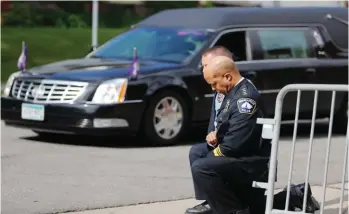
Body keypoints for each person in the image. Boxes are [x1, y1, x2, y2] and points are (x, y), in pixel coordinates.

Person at [186, 55, 269, 214]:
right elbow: (228, 126)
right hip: (240, 152)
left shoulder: (245, 99)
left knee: (202, 167)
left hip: (251, 160)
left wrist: (213, 153)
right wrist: (215, 138)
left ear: (228, 76)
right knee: (197, 152)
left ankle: (233, 211)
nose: (213, 88)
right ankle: (212, 202)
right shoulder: (232, 92)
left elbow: (234, 144)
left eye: (214, 83)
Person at [187, 46, 234, 214]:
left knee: (203, 162)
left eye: (206, 65)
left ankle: (217, 203)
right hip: (223, 142)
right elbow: (215, 122)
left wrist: (219, 138)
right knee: (197, 152)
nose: (203, 70)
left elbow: (239, 127)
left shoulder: (236, 89)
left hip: (238, 146)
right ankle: (210, 200)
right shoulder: (218, 88)